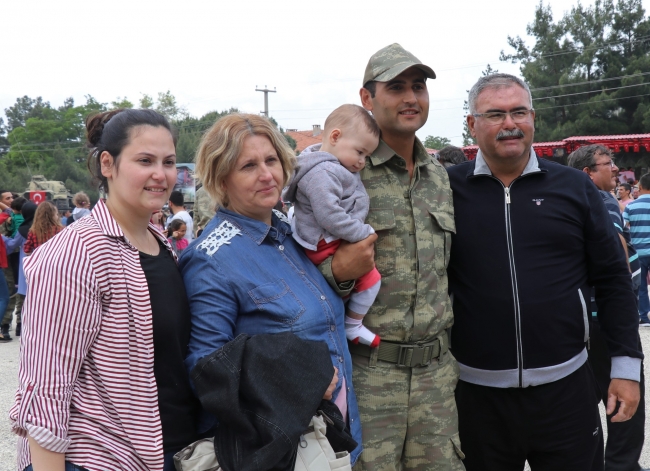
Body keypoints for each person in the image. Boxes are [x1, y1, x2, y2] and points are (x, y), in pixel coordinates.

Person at [447, 73, 642, 471]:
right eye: (495, 114)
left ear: (533, 117)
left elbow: (612, 279)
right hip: (474, 396)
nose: (510, 124)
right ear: (472, 124)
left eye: (519, 112)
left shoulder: (574, 187)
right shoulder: (445, 190)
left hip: (566, 391)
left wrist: (626, 367)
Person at [10, 108, 198, 471]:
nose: (161, 174)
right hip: (98, 456)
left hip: (165, 452)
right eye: (145, 160)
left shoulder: (159, 243)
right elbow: (46, 386)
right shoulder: (76, 252)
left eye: (169, 161)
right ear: (108, 164)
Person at [179, 113, 363, 467]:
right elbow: (204, 369)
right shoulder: (210, 259)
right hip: (283, 452)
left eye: (271, 160)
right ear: (221, 178)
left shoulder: (292, 233)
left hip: (336, 443)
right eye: (248, 165)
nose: (266, 175)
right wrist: (296, 382)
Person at [322, 43, 463, 470]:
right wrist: (339, 273)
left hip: (436, 378)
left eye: (418, 87)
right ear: (367, 98)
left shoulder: (439, 174)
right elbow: (301, 261)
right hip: (368, 375)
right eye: (396, 87)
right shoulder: (344, 170)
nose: (410, 98)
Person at [568, 145, 646, 471]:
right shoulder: (602, 200)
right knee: (624, 402)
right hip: (605, 317)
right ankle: (621, 465)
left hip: (585, 318)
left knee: (586, 405)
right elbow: (616, 254)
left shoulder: (575, 201)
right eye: (608, 164)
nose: (615, 170)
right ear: (588, 172)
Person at [284, 104, 382, 347]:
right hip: (324, 241)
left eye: (367, 156)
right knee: (371, 281)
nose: (362, 162)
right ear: (335, 137)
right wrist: (362, 233)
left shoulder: (332, 166)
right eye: (360, 152)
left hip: (328, 239)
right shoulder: (322, 172)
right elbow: (330, 215)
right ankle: (352, 325)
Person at [1, 202, 34, 340]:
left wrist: (3, 239)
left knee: (19, 296)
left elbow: (13, 244)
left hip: (21, 264)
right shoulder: (49, 228)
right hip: (41, 267)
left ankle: (17, 325)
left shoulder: (22, 229)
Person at [624, 173, 650, 327]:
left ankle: (645, 318)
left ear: (639, 187)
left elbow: (623, 228)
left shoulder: (631, 206)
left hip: (638, 252)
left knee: (640, 286)